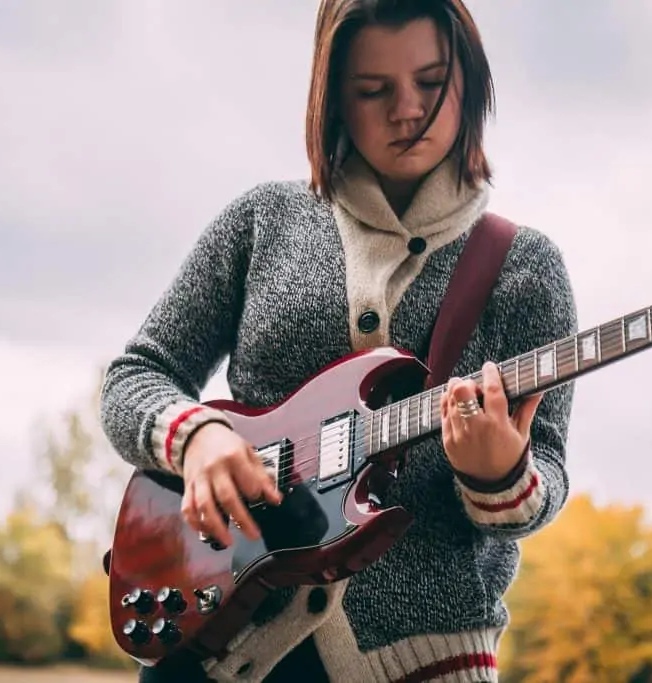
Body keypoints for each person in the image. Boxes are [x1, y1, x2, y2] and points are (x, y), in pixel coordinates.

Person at [100, 0, 578, 681]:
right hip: (211, 647)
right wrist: (196, 435)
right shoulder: (262, 220)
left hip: (423, 666)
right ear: (332, 101)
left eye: (432, 80)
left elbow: (547, 475)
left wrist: (497, 472)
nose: (407, 109)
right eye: (372, 90)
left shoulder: (524, 266)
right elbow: (136, 375)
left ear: (469, 81)